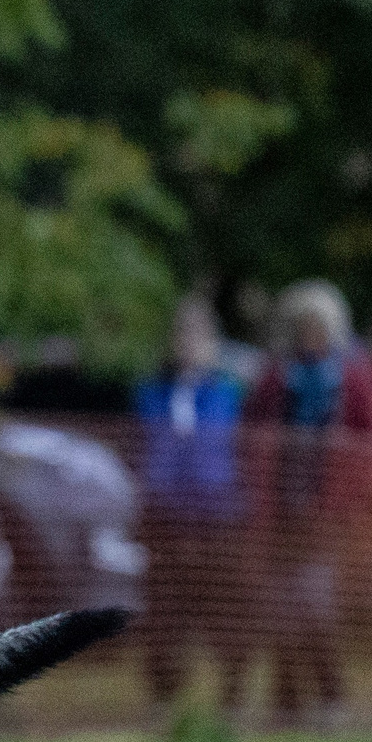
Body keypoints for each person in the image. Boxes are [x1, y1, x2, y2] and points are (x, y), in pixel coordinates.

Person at [244, 278, 372, 727]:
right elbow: (252, 432)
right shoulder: (276, 374)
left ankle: (330, 695)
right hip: (282, 509)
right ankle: (286, 698)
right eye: (302, 326)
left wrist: (348, 498)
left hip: (328, 513)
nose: (310, 335)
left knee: (314, 602)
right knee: (280, 605)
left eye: (318, 326)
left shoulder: (354, 374)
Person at [132, 297, 251, 720]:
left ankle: (232, 701)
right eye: (182, 335)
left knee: (222, 609)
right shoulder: (151, 393)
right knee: (165, 613)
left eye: (198, 336)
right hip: (165, 518)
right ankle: (164, 701)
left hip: (219, 520)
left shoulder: (228, 394)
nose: (189, 344)